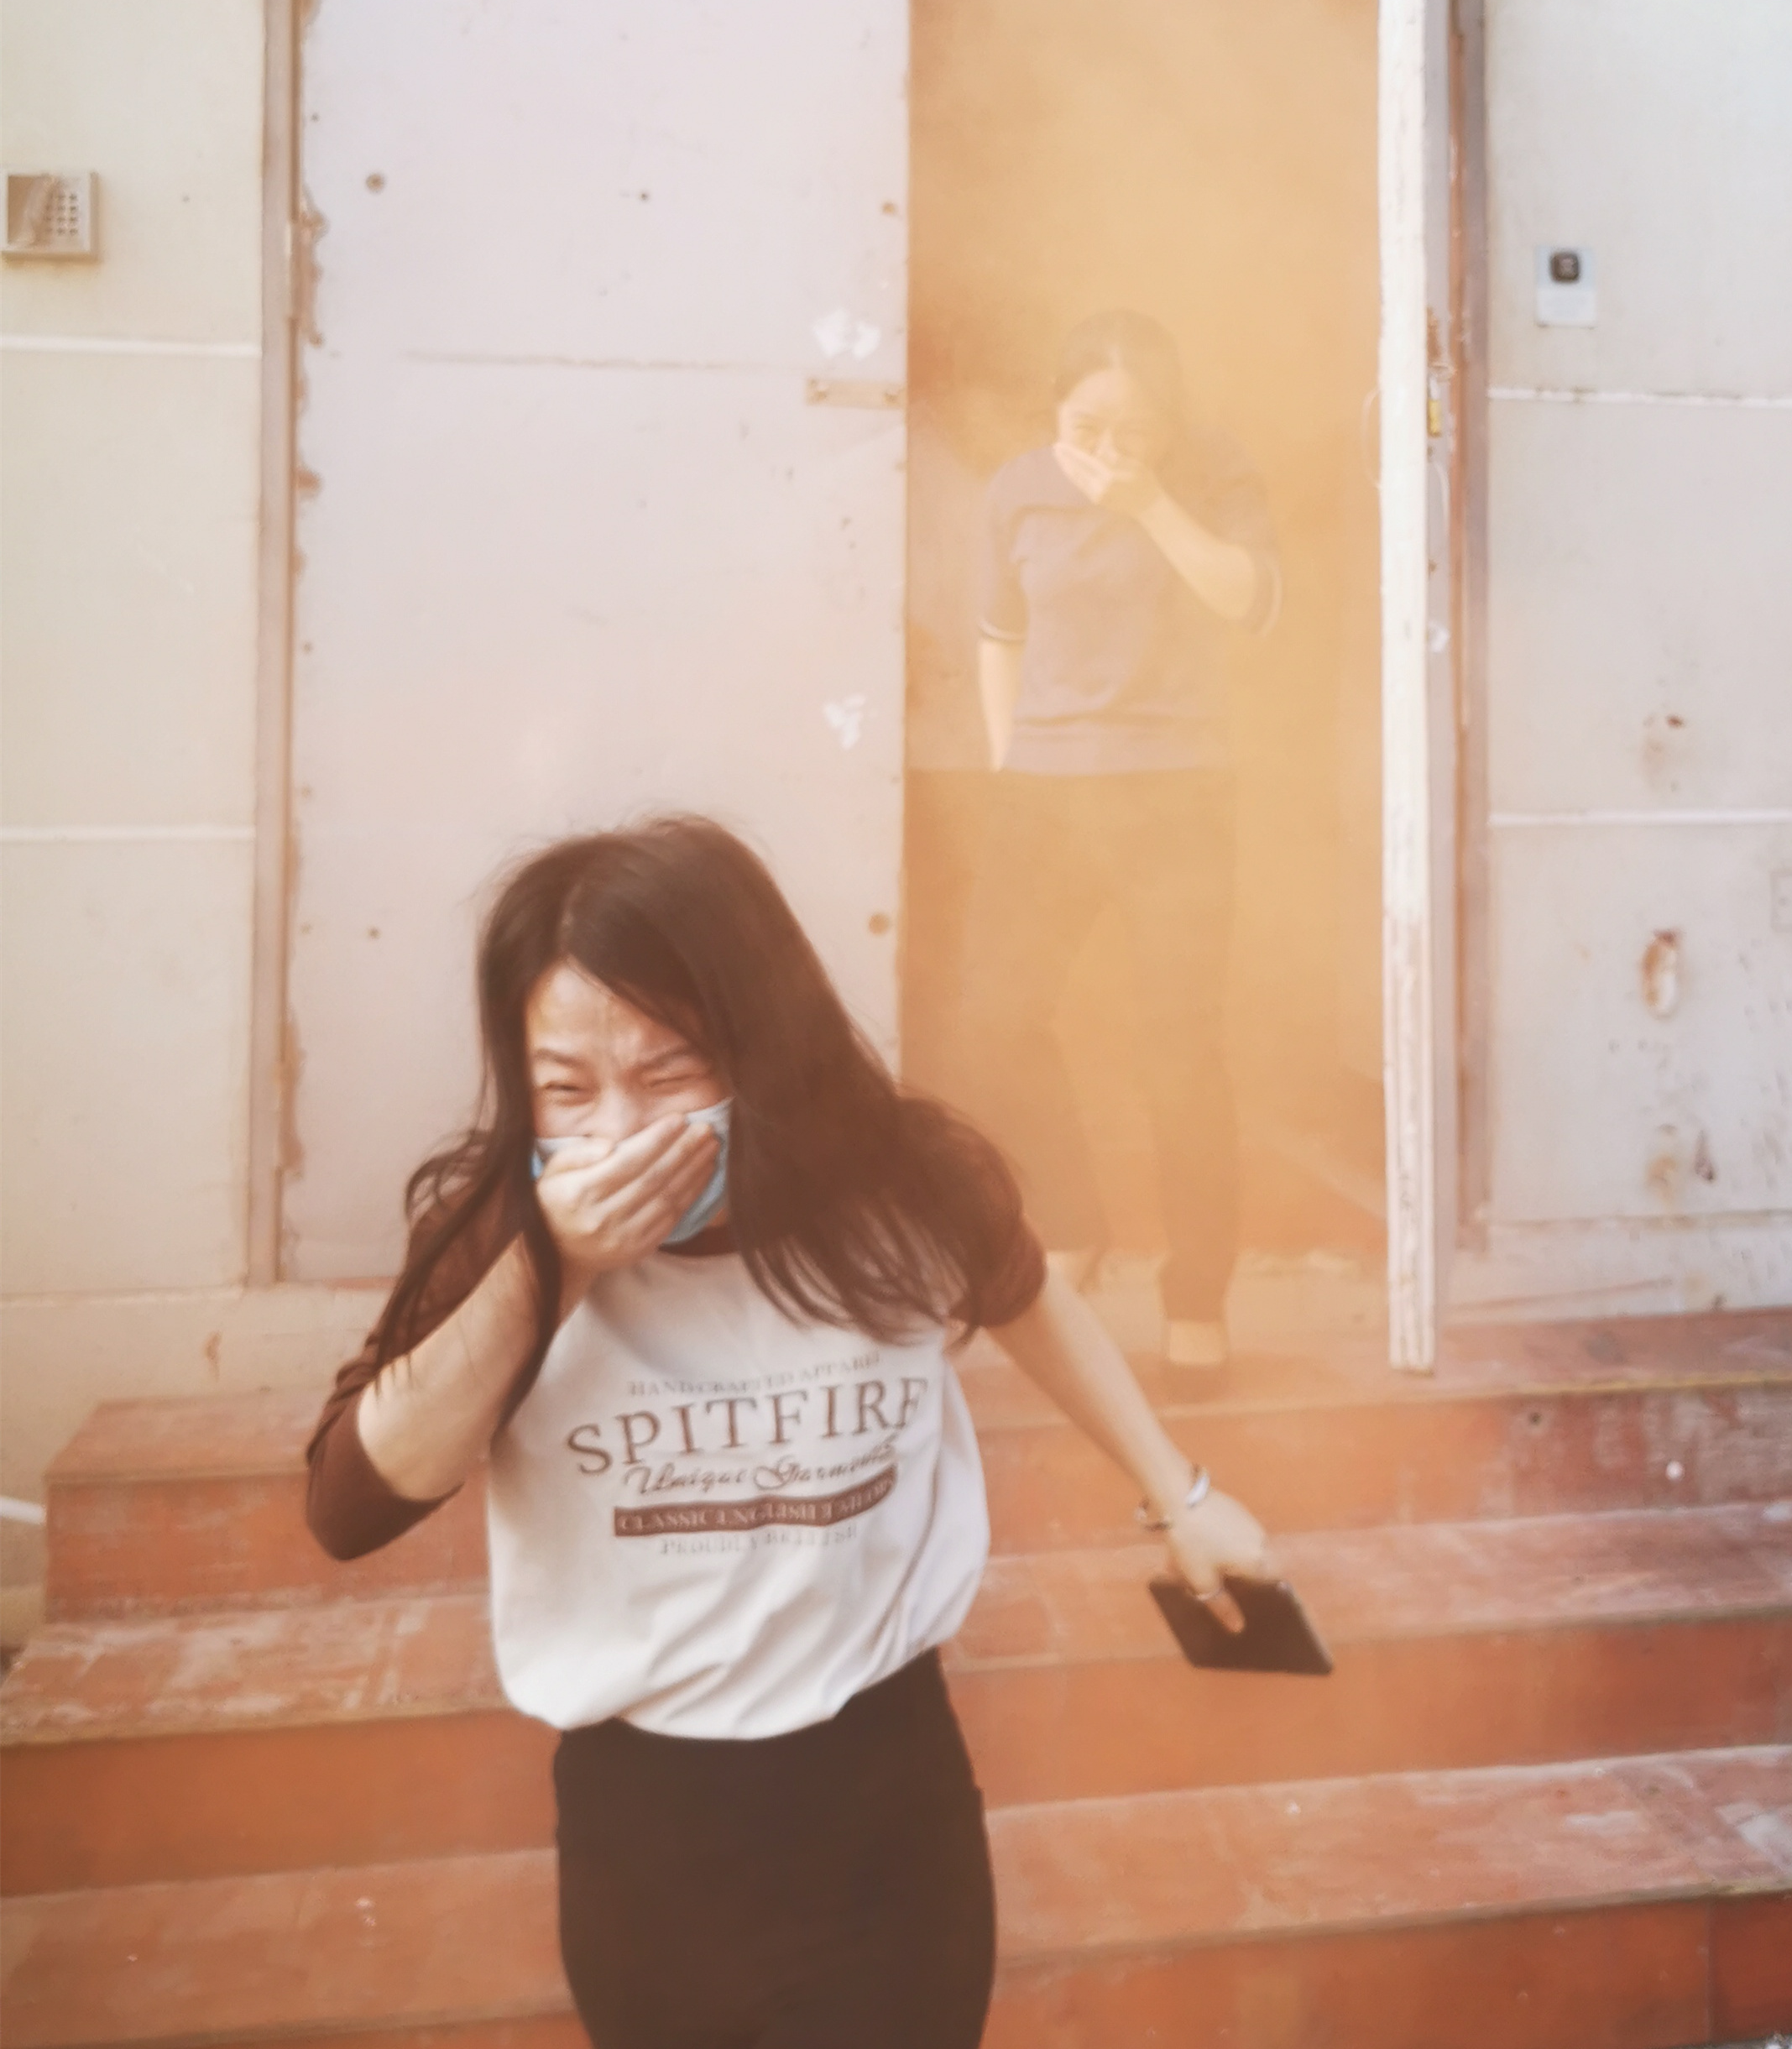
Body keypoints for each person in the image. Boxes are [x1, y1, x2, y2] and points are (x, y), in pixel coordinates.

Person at [304, 817, 1272, 2049]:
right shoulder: (500, 1231)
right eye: (568, 1089)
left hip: (886, 1792)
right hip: (651, 1823)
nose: (619, 1134)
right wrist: (556, 1267)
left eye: (669, 1075)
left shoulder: (903, 1183)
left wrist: (1180, 1495)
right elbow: (350, 1507)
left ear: (760, 1047)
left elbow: (1025, 1293)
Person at [969, 311, 1281, 1371]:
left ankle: (1198, 1302)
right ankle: (1071, 1222)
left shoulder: (1212, 470)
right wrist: (1010, 761)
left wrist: (1149, 502)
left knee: (1178, 1048)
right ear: (1054, 410)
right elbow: (999, 637)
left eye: (1135, 428)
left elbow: (1249, 601)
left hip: (1177, 791)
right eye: (1086, 425)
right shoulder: (1017, 487)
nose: (1108, 448)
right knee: (995, 1019)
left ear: (1171, 421)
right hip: (1044, 796)